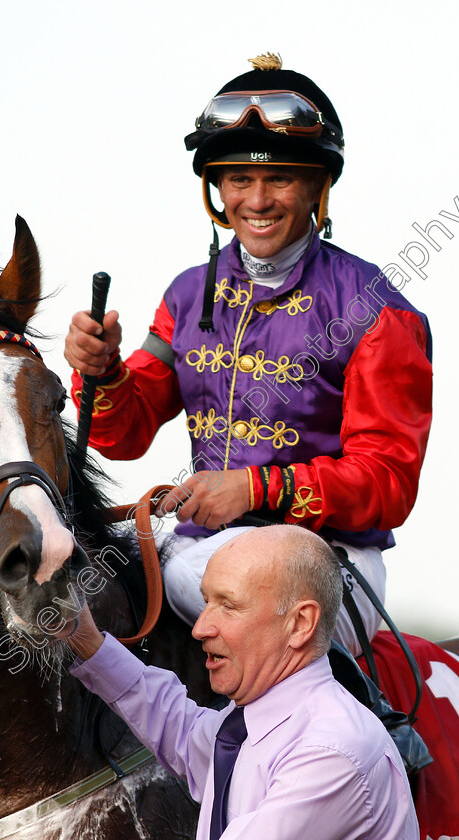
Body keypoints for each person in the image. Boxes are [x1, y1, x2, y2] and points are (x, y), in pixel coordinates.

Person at [65, 54, 433, 655]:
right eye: (238, 179)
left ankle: (366, 742)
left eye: (279, 178)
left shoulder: (379, 312)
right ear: (217, 188)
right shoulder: (187, 294)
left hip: (331, 564)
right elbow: (122, 432)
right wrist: (102, 372)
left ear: (318, 186)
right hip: (197, 552)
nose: (256, 200)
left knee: (217, 598)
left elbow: (387, 483)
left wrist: (257, 490)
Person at [65, 526, 419, 839]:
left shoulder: (328, 753)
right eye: (206, 602)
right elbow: (184, 733)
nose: (200, 628)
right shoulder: (243, 726)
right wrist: (87, 641)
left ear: (300, 624)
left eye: (229, 606)